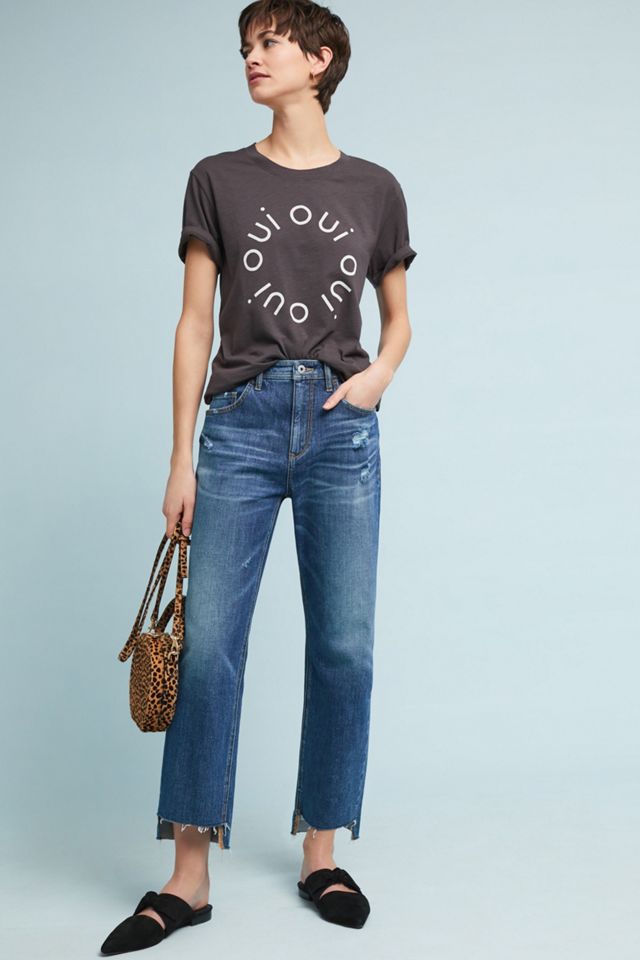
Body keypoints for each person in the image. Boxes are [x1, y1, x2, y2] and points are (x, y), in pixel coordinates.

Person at [101, 0, 416, 953]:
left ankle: (322, 854)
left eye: (271, 42)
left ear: (320, 59)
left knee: (345, 647)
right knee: (208, 651)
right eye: (246, 46)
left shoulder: (374, 188)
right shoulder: (218, 179)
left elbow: (399, 317)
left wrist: (377, 377)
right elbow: (195, 321)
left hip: (339, 427)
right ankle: (188, 878)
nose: (253, 57)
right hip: (238, 426)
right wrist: (181, 455)